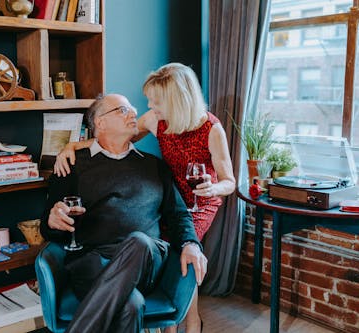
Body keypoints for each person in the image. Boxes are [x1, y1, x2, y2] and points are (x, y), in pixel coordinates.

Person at [54, 63, 236, 333]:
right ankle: (170, 328)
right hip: (165, 192)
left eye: (156, 100)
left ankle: (193, 322)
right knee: (134, 292)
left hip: (200, 198)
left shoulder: (211, 130)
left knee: (182, 246)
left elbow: (230, 182)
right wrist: (71, 145)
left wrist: (212, 189)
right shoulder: (155, 119)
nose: (147, 106)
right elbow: (113, 139)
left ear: (176, 101)